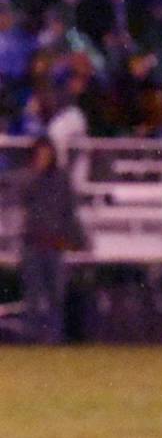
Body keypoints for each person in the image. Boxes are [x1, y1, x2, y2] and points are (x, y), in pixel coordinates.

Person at [19, 137, 88, 344]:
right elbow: (21, 200)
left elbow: (69, 211)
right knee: (33, 296)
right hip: (32, 244)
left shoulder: (61, 179)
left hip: (55, 245)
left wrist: (77, 239)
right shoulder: (28, 177)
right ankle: (30, 338)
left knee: (55, 296)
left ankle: (54, 339)